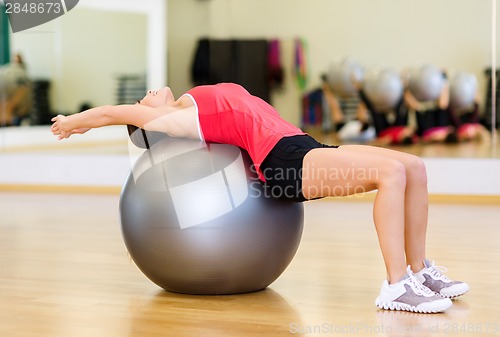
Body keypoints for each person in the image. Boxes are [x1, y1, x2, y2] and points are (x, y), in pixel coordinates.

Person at [51, 82, 469, 313]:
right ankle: (396, 286)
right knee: (391, 173)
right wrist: (73, 122)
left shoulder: (189, 99)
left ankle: (421, 270)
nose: (147, 95)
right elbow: (109, 113)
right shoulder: (172, 119)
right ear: (149, 116)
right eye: (142, 101)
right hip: (281, 163)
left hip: (301, 144)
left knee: (414, 166)